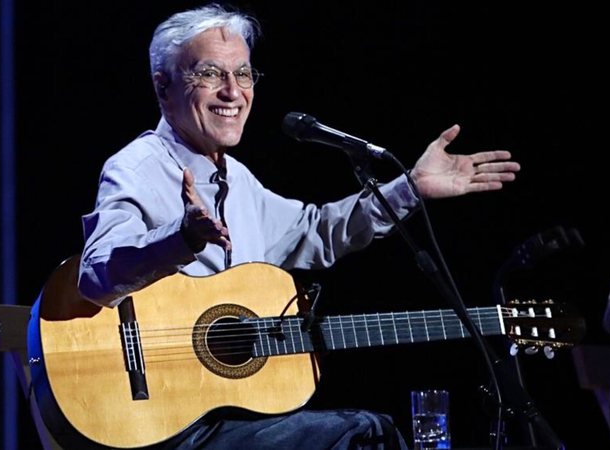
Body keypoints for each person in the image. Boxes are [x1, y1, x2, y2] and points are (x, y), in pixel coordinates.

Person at [76, 3, 520, 449]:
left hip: (229, 418)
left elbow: (316, 231)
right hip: (161, 420)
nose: (233, 92)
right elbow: (95, 275)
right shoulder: (137, 168)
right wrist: (181, 239)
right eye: (210, 74)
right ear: (163, 87)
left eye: (244, 74)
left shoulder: (239, 180)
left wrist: (409, 188)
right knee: (365, 434)